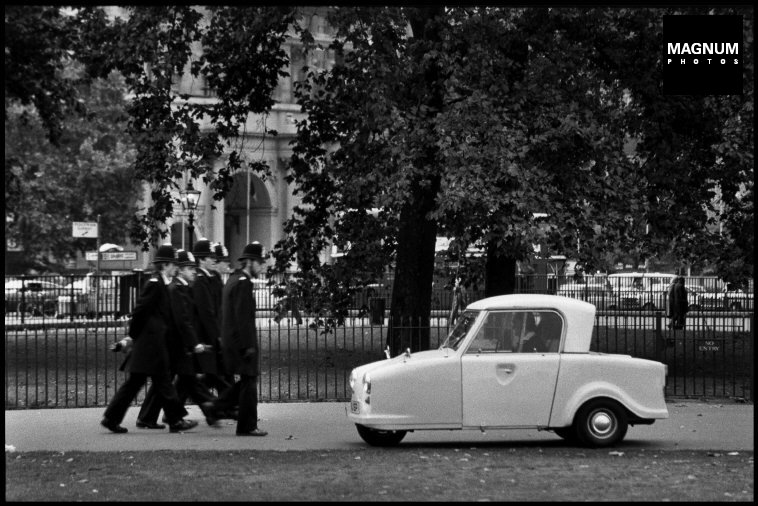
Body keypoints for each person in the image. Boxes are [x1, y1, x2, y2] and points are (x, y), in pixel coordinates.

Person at [101, 244, 198, 434]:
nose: (175, 268)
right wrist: (132, 338)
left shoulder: (161, 284)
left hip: (153, 344)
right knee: (148, 384)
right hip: (149, 345)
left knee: (153, 384)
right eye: (173, 264)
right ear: (165, 265)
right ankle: (175, 420)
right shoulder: (154, 284)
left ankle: (113, 418)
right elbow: (139, 313)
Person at [136, 249, 219, 428]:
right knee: (178, 380)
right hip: (174, 343)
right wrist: (193, 343)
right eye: (189, 268)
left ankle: (151, 416)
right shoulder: (174, 288)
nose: (194, 272)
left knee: (165, 383)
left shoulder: (180, 288)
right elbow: (180, 320)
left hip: (175, 342)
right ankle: (203, 413)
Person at [207, 242, 268, 436]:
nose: (262, 266)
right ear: (249, 262)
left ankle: (215, 407)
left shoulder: (234, 279)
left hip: (233, 342)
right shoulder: (242, 282)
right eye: (259, 262)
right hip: (241, 343)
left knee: (245, 383)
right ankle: (247, 426)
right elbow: (243, 318)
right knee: (248, 384)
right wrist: (248, 345)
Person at [191, 239, 232, 397]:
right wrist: (218, 336)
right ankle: (225, 407)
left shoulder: (210, 278)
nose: (215, 260)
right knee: (210, 375)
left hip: (212, 333)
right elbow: (207, 313)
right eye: (210, 257)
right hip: (205, 336)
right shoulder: (201, 281)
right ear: (201, 259)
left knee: (217, 373)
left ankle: (226, 406)